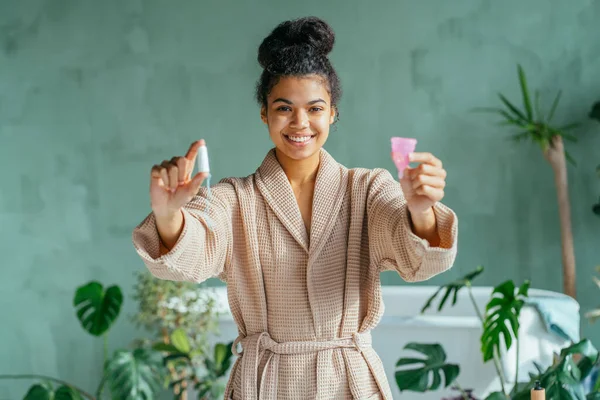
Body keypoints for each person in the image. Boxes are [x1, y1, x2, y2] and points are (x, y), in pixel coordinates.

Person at [132, 16, 458, 400]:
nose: (300, 123)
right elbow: (198, 243)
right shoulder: (235, 198)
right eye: (284, 108)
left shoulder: (366, 188)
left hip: (349, 383)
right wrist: (170, 215)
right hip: (266, 383)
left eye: (315, 108)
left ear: (333, 112)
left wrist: (420, 210)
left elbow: (418, 259)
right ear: (264, 114)